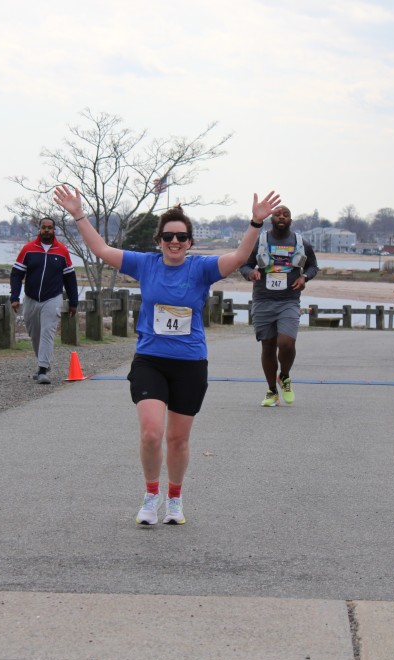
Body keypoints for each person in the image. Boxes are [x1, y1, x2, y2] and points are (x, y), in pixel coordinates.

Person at [53, 183, 282, 526]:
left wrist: (256, 223)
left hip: (190, 364)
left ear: (190, 242)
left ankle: (175, 499)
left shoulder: (201, 268)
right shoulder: (145, 264)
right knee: (151, 433)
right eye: (168, 236)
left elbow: (238, 258)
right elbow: (101, 249)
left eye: (181, 237)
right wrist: (79, 215)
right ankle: (151, 495)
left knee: (177, 439)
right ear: (159, 240)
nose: (175, 242)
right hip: (151, 360)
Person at [239, 206, 319, 406]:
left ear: (291, 219)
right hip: (263, 300)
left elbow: (313, 266)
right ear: (271, 219)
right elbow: (244, 264)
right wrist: (250, 273)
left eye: (286, 215)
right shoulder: (261, 241)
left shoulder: (301, 242)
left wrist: (304, 277)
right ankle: (272, 391)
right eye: (277, 215)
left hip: (289, 300)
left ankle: (284, 376)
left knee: (286, 343)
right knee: (268, 346)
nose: (281, 217)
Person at [9, 217, 79, 384]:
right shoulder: (28, 249)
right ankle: (43, 363)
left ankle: (42, 369)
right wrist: (14, 297)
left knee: (47, 331)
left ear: (54, 230)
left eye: (50, 227)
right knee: (35, 334)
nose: (46, 230)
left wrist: (74, 302)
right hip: (31, 298)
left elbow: (70, 278)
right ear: (39, 229)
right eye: (43, 227)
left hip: (53, 298)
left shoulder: (62, 251)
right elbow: (16, 274)